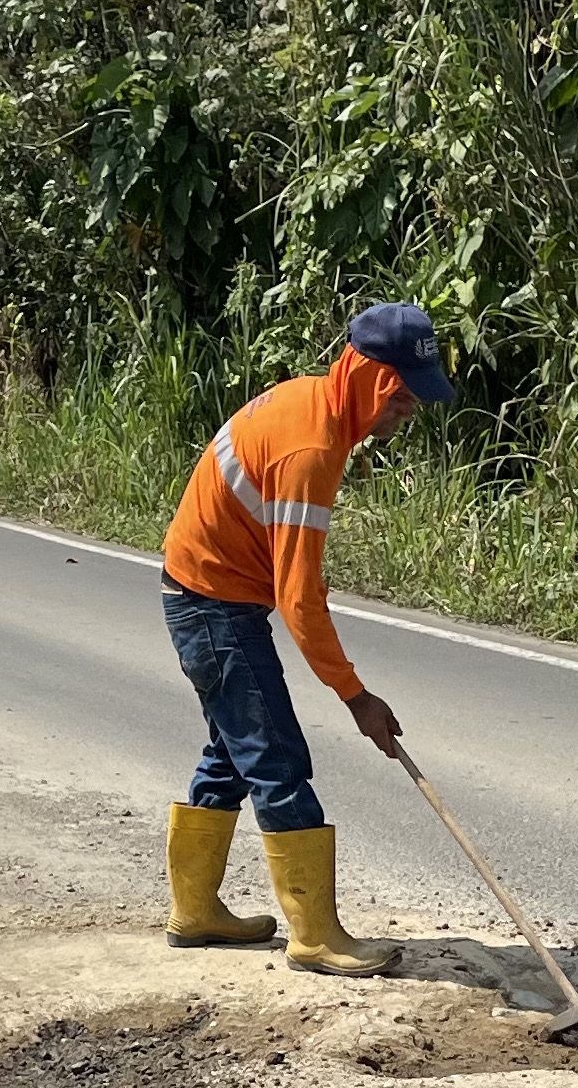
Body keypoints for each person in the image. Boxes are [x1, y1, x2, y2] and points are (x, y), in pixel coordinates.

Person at [153, 302, 456, 975]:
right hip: (212, 605)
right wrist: (356, 696)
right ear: (370, 379)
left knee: (234, 751)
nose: (408, 412)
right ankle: (315, 936)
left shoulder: (315, 406)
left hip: (208, 594)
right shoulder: (311, 449)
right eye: (401, 397)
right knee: (277, 758)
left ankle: (195, 912)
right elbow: (299, 599)